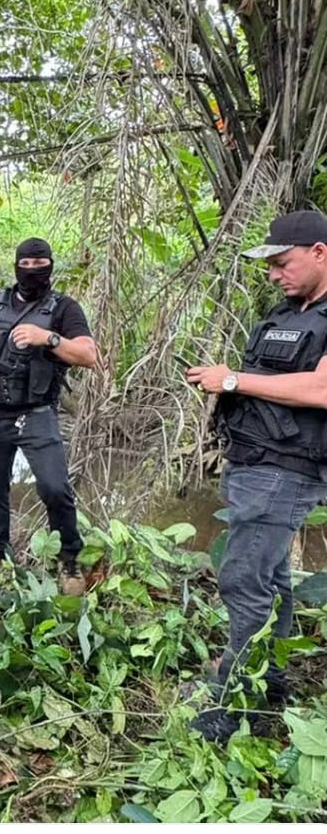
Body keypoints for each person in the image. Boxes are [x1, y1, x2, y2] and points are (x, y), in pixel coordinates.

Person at [186, 209, 327, 743]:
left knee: (244, 579)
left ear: (319, 252)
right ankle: (271, 682)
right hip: (254, 462)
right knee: (272, 579)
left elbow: (322, 391)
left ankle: (231, 706)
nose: (273, 274)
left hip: (287, 471)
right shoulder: (286, 314)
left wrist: (233, 381)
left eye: (282, 263)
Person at [0, 237, 96, 591]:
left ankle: (69, 558)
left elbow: (89, 355)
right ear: (16, 265)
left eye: (39, 264)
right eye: (25, 264)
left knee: (55, 487)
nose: (31, 271)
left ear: (50, 266)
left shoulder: (64, 309)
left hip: (36, 412)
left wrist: (49, 339)